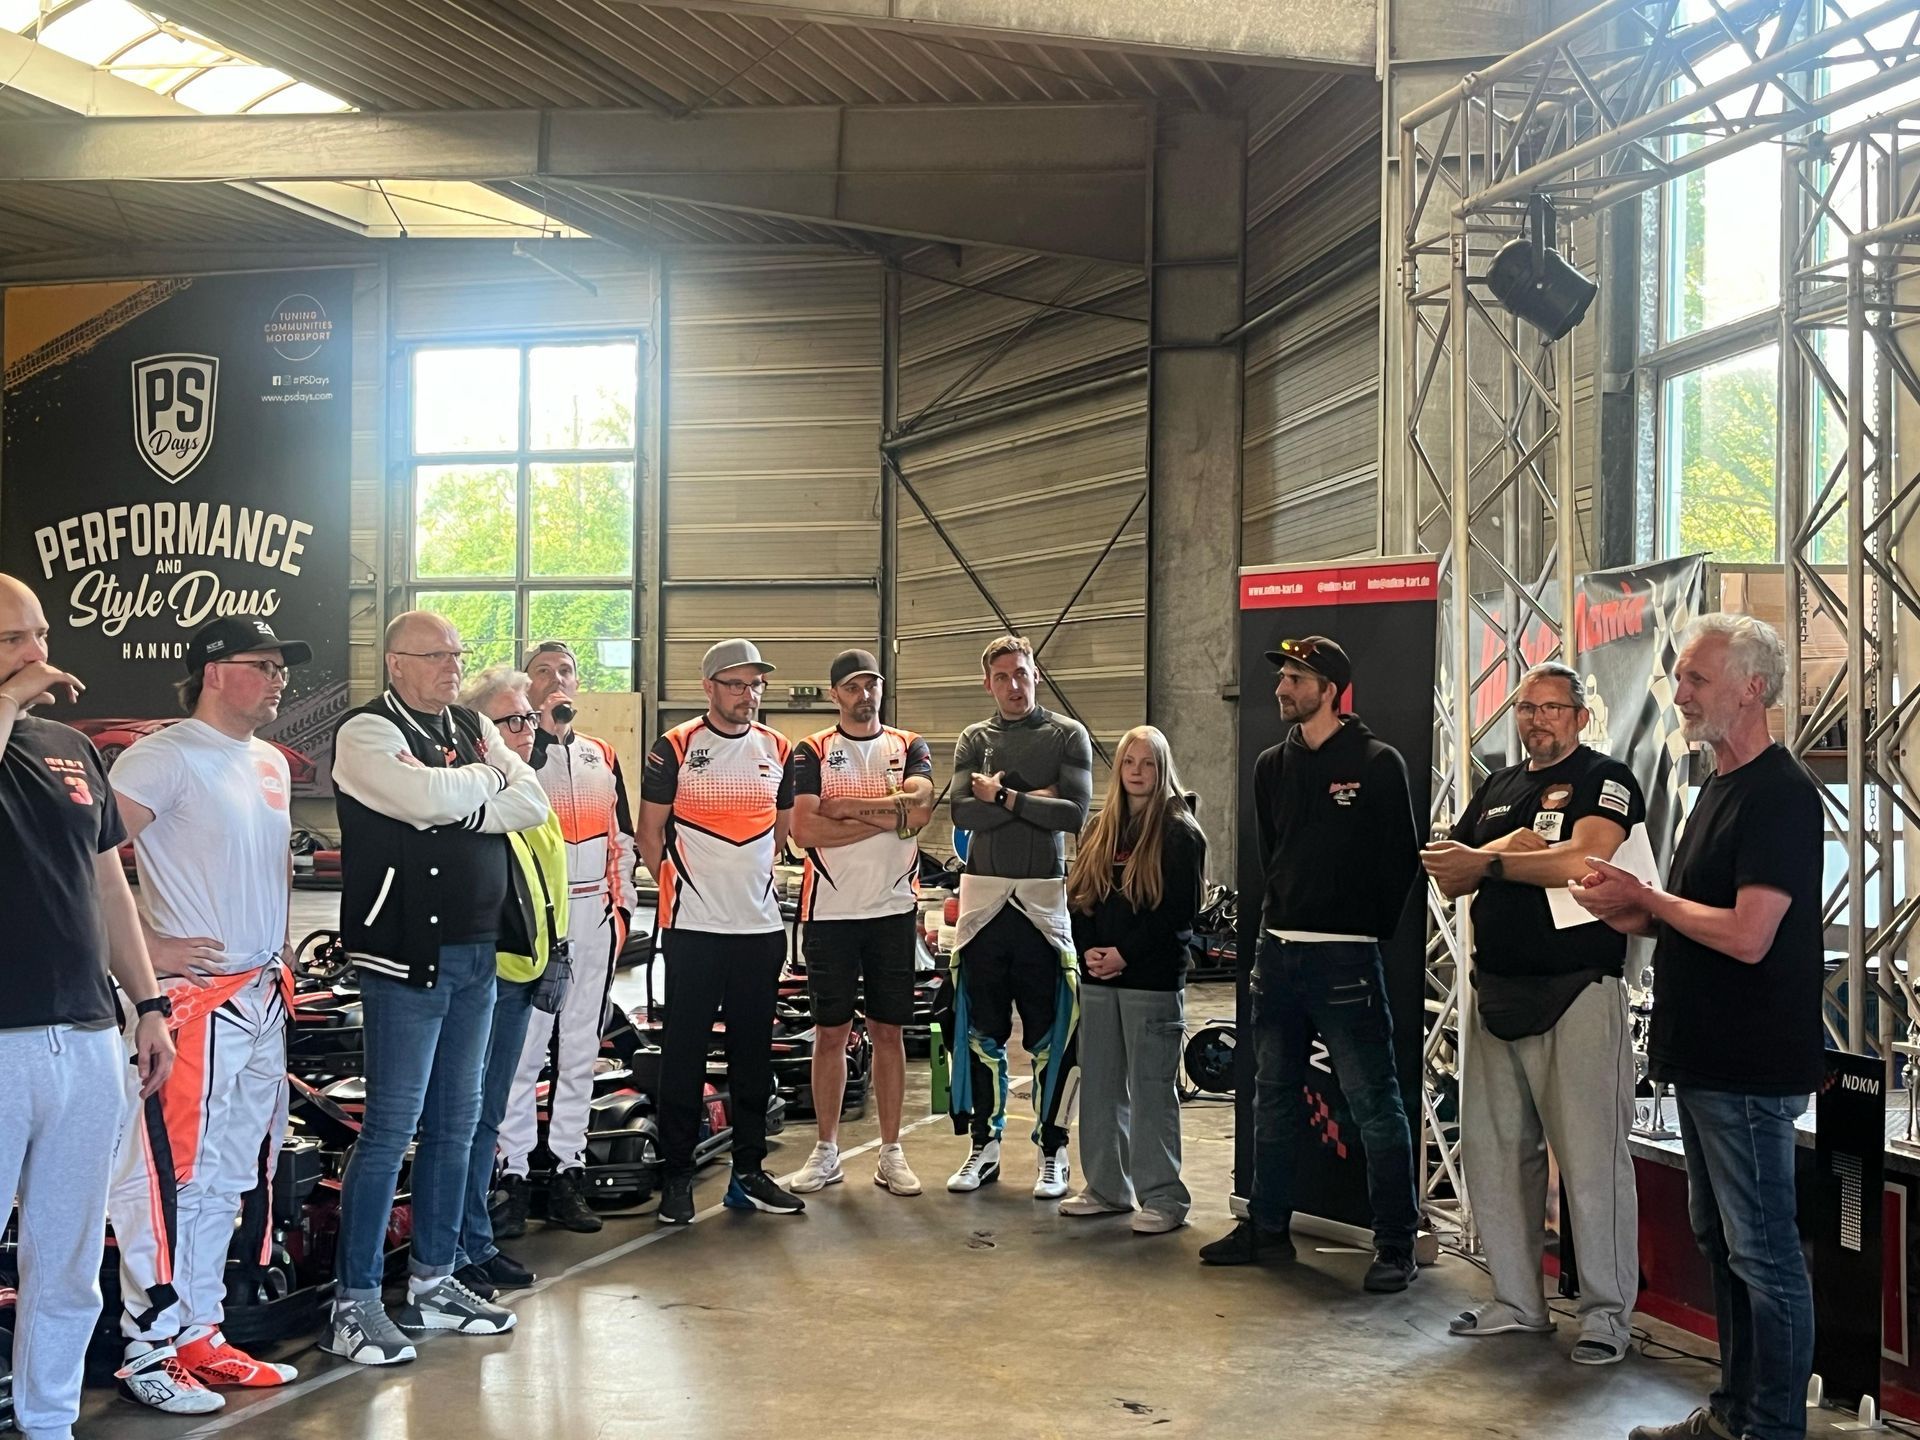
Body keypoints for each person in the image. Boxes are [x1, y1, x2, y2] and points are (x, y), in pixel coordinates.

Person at [1574, 615, 1823, 1440]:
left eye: (1696, 679)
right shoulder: (1716, 786)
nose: (1679, 693)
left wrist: (1649, 901)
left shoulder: (1779, 793)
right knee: (1724, 1245)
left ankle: (1771, 1427)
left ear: (1751, 689)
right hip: (1707, 1058)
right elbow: (1696, 917)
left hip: (1749, 1063)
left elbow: (1749, 935)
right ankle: (1734, 1414)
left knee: (1763, 1256)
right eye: (1680, 678)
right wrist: (1631, 911)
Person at [324, 612, 550, 1366]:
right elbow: (418, 800)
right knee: (391, 1130)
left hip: (478, 952)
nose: (452, 667)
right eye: (434, 655)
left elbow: (532, 802)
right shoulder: (365, 732)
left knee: (456, 1124)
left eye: (457, 654)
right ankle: (355, 1302)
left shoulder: (470, 726)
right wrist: (482, 786)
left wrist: (459, 797)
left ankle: (433, 1280)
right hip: (405, 959)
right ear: (395, 663)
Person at [107, 618, 315, 1414]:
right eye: (264, 664)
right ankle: (148, 1347)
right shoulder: (162, 757)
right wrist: (146, 947)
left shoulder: (269, 761)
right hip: (196, 1003)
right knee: (173, 1178)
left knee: (231, 1175)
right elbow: (83, 858)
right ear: (214, 671)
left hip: (261, 995)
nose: (280, 678)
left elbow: (268, 862)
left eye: (282, 666)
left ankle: (200, 1331)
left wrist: (280, 943)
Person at [1421, 661, 1645, 1365]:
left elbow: (1587, 861)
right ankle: (1519, 1302)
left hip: (1578, 990)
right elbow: (1446, 865)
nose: (1537, 719)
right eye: (1527, 708)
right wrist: (1502, 852)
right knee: (1494, 1158)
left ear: (1580, 716)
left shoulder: (1605, 778)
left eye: (1552, 708)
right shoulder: (1497, 786)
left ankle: (1607, 1316)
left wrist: (1492, 863)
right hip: (1497, 992)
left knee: (1591, 1161)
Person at [0, 572, 174, 1440]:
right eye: (12, 640)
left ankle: (47, 1421)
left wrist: (148, 1004)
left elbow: (109, 886)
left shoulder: (70, 747)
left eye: (41, 634)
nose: (39, 654)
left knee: (68, 1258)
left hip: (85, 1034)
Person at [1200, 635, 1422, 1292]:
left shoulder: (1378, 763)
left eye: (1296, 678)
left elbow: (1401, 862)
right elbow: (1273, 855)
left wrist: (1357, 931)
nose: (1281, 688)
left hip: (1346, 961)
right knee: (1271, 1095)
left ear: (1330, 690)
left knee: (1374, 1103)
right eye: (1283, 677)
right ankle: (1267, 1226)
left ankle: (1395, 1243)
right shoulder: (1272, 764)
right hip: (1277, 955)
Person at [638, 638, 804, 1225]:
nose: (748, 694)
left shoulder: (778, 748)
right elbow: (649, 833)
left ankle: (749, 1173)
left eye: (755, 684)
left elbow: (781, 834)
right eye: (735, 683)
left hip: (759, 929)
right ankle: (677, 1176)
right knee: (683, 1054)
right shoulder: (675, 746)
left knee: (752, 1055)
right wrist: (687, 888)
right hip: (694, 928)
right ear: (708, 687)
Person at [495, 640, 637, 1238]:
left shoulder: (603, 754)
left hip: (593, 917)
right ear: (527, 686)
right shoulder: (513, 753)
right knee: (523, 1050)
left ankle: (567, 1170)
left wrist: (621, 911)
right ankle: (512, 1172)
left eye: (566, 670)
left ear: (579, 683)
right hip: (535, 922)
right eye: (543, 671)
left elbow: (622, 839)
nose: (556, 679)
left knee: (580, 1049)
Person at [945, 635, 1092, 1199]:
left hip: (1041, 905)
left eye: (1022, 673)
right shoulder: (973, 738)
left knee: (1053, 1035)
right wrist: (1037, 799)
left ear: (1037, 675)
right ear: (988, 683)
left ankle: (1053, 1151)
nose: (1014, 685)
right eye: (1003, 676)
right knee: (980, 1033)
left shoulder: (1066, 734)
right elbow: (962, 812)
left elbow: (1073, 814)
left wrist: (1003, 797)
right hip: (984, 907)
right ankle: (984, 1147)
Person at [785, 649, 936, 1199]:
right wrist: (889, 818)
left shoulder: (909, 744)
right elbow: (805, 830)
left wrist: (847, 805)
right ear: (835, 695)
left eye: (871, 684)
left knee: (888, 1031)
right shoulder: (811, 751)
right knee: (831, 1033)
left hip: (893, 912)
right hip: (831, 913)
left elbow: (921, 811)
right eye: (852, 686)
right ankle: (826, 1150)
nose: (864, 694)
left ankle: (891, 1152)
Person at [450, 665, 569, 1300]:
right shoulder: (475, 794)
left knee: (489, 1115)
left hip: (525, 972)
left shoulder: (531, 791)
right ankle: (455, 1248)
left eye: (529, 718)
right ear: (479, 730)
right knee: (463, 1119)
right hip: (486, 977)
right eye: (513, 720)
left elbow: (548, 884)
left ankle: (474, 1241)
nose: (527, 730)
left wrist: (558, 951)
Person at [1061, 725, 1206, 1234]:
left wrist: (1125, 954)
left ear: (1161, 769)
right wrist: (1090, 951)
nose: (1137, 772)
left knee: (1151, 1093)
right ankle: (1106, 1188)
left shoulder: (1180, 833)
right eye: (1129, 762)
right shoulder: (1100, 829)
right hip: (1100, 979)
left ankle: (1164, 1198)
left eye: (1147, 763)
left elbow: (1177, 914)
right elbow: (1080, 896)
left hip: (1151, 982)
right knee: (1100, 1088)